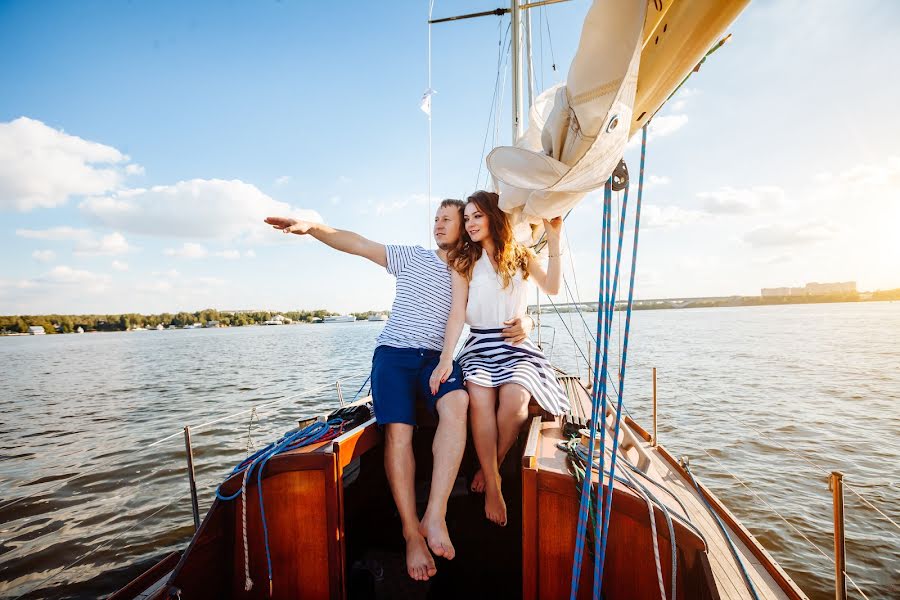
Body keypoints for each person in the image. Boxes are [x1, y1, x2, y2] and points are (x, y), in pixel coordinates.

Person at [264, 201, 533, 581]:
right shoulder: (410, 257)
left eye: (448, 220)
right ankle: (411, 533)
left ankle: (435, 514)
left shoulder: (472, 268)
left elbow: (507, 297)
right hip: (393, 355)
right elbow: (357, 242)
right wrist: (311, 227)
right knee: (398, 434)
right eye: (436, 219)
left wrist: (527, 319)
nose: (438, 225)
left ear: (464, 229)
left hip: (436, 359)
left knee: (458, 402)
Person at [430, 190, 570, 527]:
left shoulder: (520, 256)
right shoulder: (465, 261)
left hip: (514, 345)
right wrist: (446, 358)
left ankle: (495, 461)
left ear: (494, 216)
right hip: (479, 344)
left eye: (477, 215)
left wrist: (553, 238)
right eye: (467, 218)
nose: (471, 223)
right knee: (479, 397)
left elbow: (552, 287)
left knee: (516, 402)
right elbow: (457, 313)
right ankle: (495, 484)